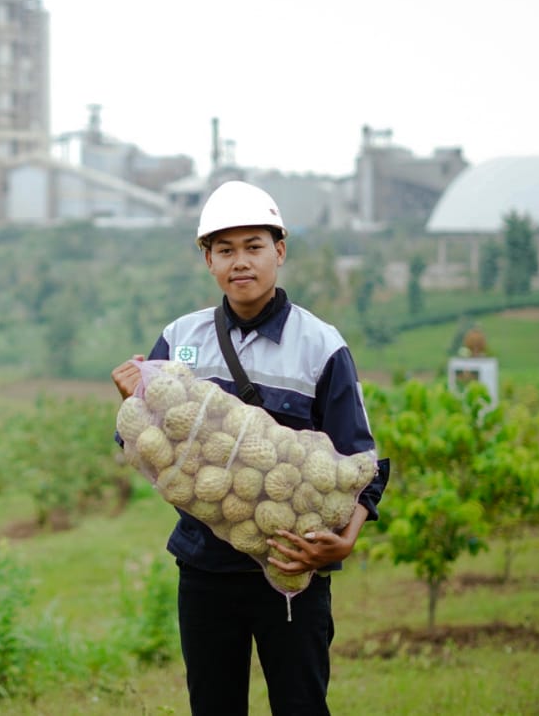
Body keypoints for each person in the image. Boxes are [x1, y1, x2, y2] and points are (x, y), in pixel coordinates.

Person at [111, 180, 388, 716]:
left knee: (300, 705)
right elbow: (144, 444)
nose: (241, 262)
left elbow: (361, 462)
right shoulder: (179, 337)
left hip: (291, 565)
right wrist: (135, 401)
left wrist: (346, 540)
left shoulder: (320, 345)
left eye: (254, 246)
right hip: (204, 566)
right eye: (225, 250)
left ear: (279, 251)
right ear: (208, 260)